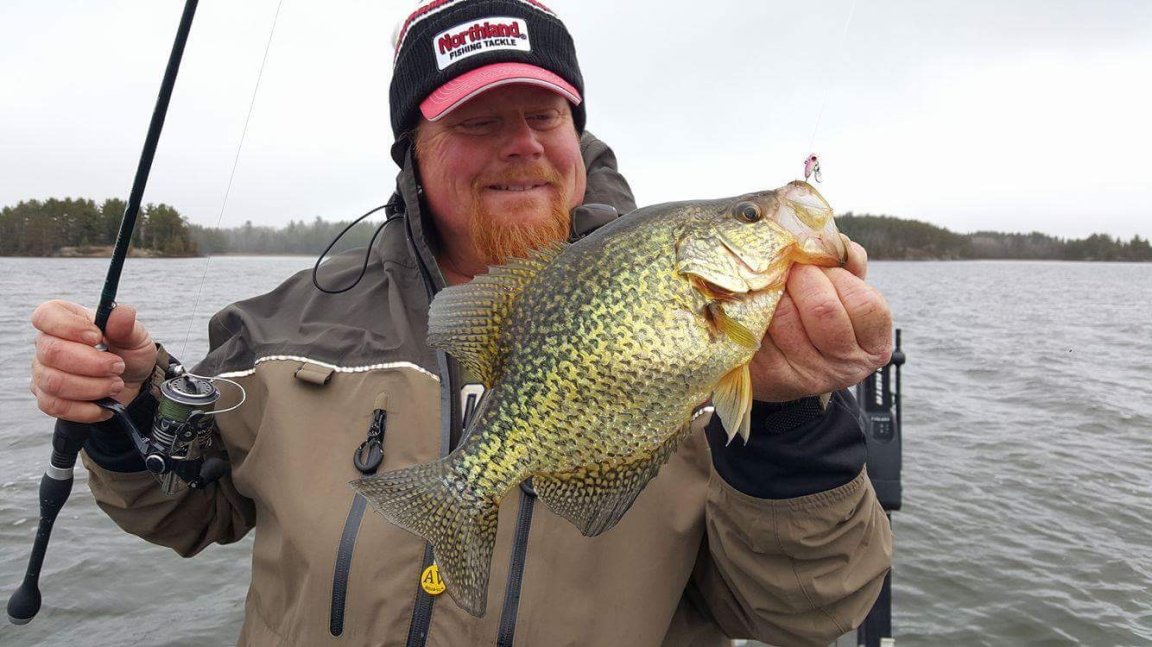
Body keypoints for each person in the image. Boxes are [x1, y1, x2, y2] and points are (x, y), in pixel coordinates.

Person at [28, 1, 894, 645]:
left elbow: (806, 609)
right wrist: (131, 404)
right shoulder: (283, 323)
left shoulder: (736, 339)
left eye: (544, 115)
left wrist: (789, 416)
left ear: (575, 131)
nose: (520, 143)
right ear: (413, 148)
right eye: (478, 121)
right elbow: (185, 509)